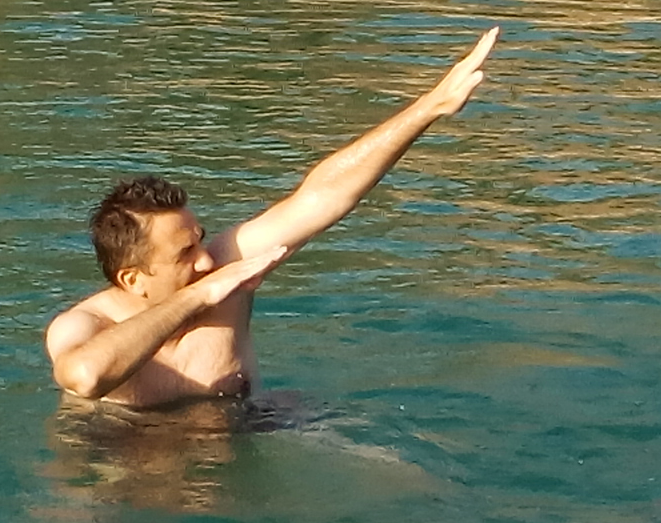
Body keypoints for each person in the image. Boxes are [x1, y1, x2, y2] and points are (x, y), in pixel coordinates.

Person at [45, 31, 499, 408]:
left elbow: (321, 198)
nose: (206, 261)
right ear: (133, 277)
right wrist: (199, 296)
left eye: (200, 240)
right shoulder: (85, 326)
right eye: (184, 254)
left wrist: (429, 107)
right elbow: (87, 377)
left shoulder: (226, 267)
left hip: (244, 430)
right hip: (128, 453)